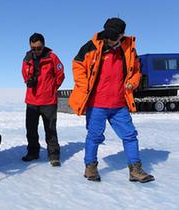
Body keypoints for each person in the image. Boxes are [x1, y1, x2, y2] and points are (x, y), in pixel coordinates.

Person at [69, 17, 155, 183]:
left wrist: (133, 82)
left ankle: (135, 169)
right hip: (97, 104)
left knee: (130, 135)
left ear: (122, 35)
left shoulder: (128, 48)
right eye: (108, 36)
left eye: (114, 37)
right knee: (94, 136)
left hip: (119, 104)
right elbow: (77, 64)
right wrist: (84, 83)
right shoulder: (91, 47)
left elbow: (137, 70)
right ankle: (90, 167)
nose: (110, 40)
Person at [21, 33, 65, 167]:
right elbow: (24, 73)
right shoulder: (27, 58)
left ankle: (54, 155)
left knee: (50, 129)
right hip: (32, 100)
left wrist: (51, 88)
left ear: (43, 45)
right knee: (31, 129)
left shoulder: (52, 57)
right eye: (33, 48)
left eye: (38, 48)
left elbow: (60, 75)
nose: (36, 51)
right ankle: (33, 152)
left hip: (48, 101)